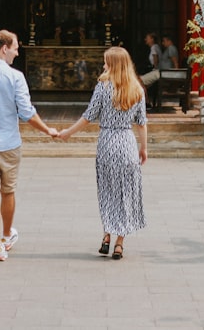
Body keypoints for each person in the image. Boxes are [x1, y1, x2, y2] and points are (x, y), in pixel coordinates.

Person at [0, 30, 58, 261]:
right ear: (4, 47)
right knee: (8, 192)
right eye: (15, 47)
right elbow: (27, 112)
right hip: (9, 144)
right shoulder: (15, 77)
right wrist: (48, 130)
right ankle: (6, 236)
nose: (17, 52)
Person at [57, 46, 148, 260]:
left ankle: (106, 235)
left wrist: (68, 133)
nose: (103, 65)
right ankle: (119, 243)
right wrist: (143, 148)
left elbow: (88, 115)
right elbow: (142, 123)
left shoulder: (103, 87)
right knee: (126, 192)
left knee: (107, 190)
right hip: (127, 143)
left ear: (113, 64)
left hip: (107, 143)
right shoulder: (137, 89)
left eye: (106, 62)